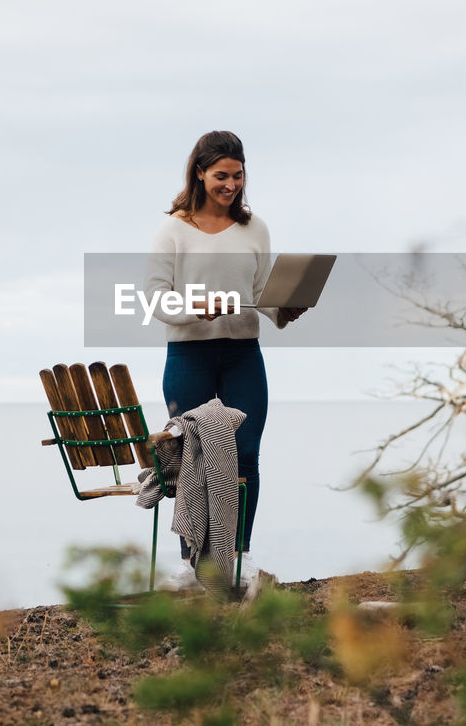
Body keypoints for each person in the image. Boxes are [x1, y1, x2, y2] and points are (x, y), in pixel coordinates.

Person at [144, 130, 304, 590]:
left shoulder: (256, 229)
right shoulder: (172, 229)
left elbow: (260, 295)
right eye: (220, 176)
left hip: (242, 355)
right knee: (190, 457)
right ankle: (190, 562)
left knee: (247, 453)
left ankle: (239, 555)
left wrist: (285, 309)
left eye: (237, 176)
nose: (230, 185)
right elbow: (155, 298)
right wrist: (198, 308)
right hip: (189, 354)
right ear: (199, 172)